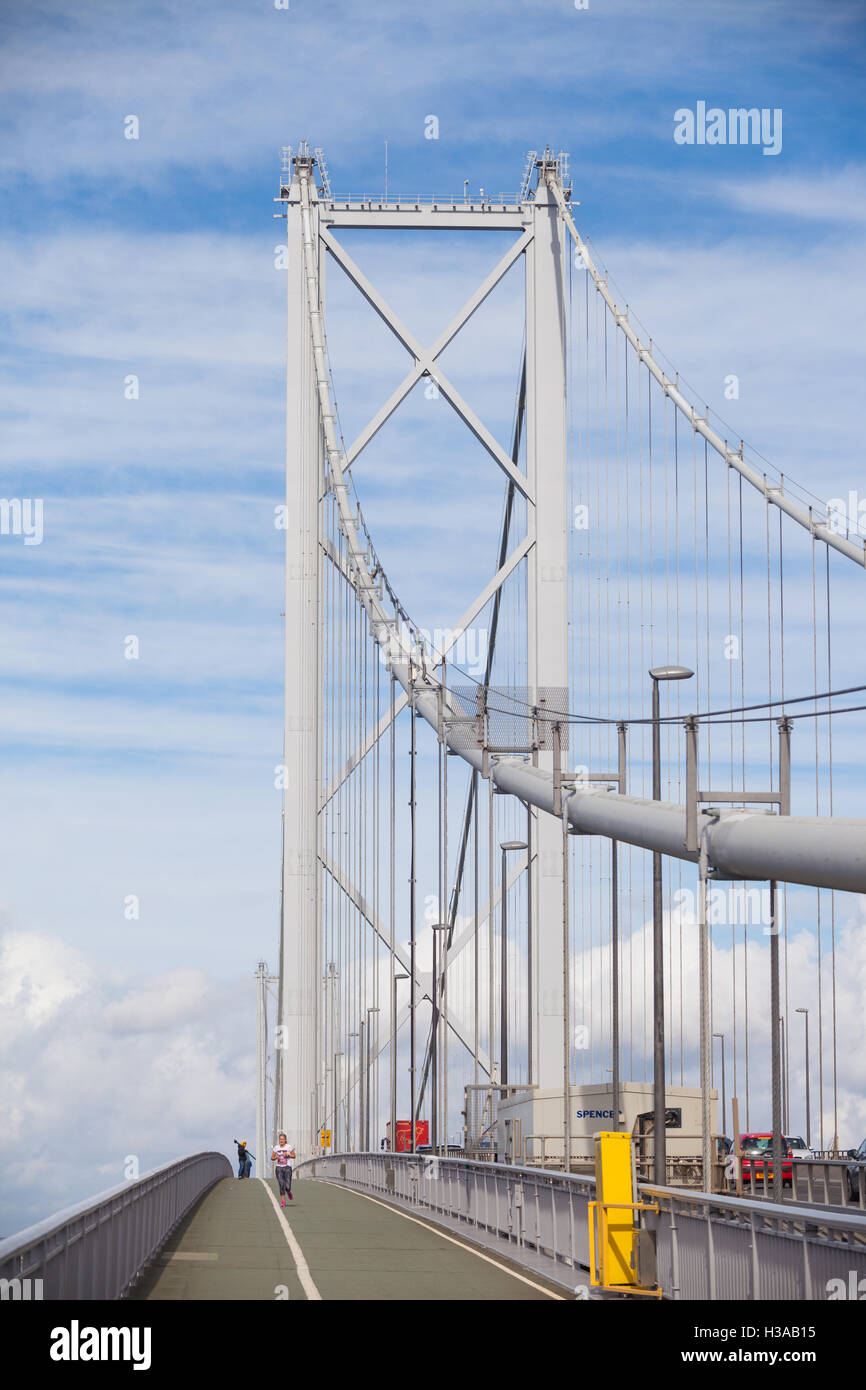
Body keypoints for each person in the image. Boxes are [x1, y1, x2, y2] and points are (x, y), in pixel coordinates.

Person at [271, 1132, 296, 1206]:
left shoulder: (288, 1147)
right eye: (280, 1139)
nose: (281, 1141)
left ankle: (288, 1192)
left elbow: (294, 1156)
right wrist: (276, 1157)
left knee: (287, 1187)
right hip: (279, 1168)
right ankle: (283, 1202)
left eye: (283, 1139)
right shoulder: (276, 1148)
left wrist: (288, 1155)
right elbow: (272, 1158)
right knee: (281, 1184)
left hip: (287, 1168)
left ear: (285, 1140)